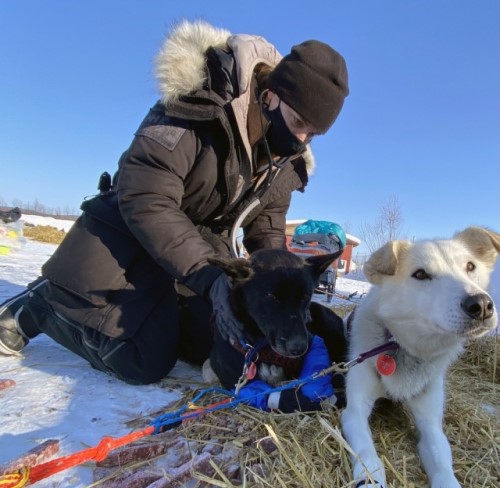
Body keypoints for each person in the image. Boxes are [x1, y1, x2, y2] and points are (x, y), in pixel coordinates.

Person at [0, 20, 349, 384]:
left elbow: (267, 232)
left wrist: (280, 288)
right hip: (128, 235)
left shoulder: (284, 162)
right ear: (272, 95)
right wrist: (212, 279)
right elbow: (145, 195)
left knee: (216, 340)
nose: (302, 139)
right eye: (298, 122)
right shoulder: (201, 103)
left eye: (314, 133)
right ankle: (45, 306)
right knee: (143, 360)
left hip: (193, 251)